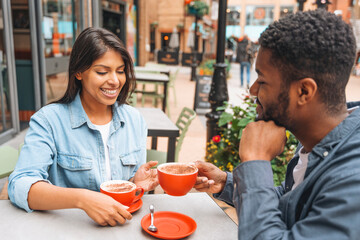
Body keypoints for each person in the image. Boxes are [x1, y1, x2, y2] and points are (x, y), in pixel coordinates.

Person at [195, 10, 360, 239]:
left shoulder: (352, 181)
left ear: (304, 91)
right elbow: (290, 201)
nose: (253, 90)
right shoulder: (322, 142)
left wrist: (255, 160)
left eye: (262, 80)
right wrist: (227, 183)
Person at [8, 27, 159, 226]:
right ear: (79, 72)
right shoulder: (48, 120)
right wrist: (82, 199)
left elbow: (125, 191)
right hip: (66, 230)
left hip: (121, 228)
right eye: (102, 71)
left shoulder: (134, 120)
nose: (115, 81)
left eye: (120, 71)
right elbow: (20, 185)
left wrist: (134, 185)